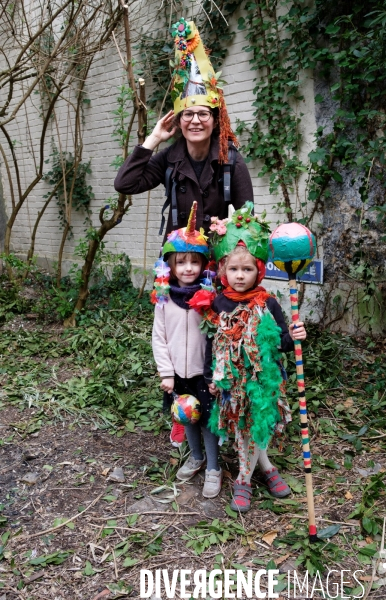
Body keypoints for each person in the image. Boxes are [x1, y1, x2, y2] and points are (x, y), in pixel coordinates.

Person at [188, 203, 307, 513]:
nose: (240, 276)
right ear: (224, 270)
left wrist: (293, 337)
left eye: (247, 269)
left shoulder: (268, 303)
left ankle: (243, 478)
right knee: (243, 427)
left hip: (263, 379)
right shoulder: (218, 302)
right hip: (232, 382)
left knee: (258, 424)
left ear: (259, 270)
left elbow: (280, 341)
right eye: (234, 269)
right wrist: (209, 377)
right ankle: (265, 468)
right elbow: (210, 341)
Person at [114, 18, 253, 237]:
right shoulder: (169, 158)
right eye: (188, 114)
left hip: (215, 264)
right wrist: (152, 140)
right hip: (178, 263)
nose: (195, 120)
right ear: (178, 122)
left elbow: (248, 219)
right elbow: (125, 184)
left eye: (203, 114)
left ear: (215, 120)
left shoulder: (230, 159)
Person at [151, 202, 222, 498]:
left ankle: (214, 468)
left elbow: (219, 339)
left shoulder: (210, 299)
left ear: (203, 264)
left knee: (207, 422)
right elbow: (159, 338)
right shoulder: (164, 301)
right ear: (171, 265)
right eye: (181, 262)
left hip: (204, 376)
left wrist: (217, 374)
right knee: (186, 416)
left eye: (194, 262)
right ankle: (196, 457)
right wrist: (166, 373)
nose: (188, 268)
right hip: (177, 374)